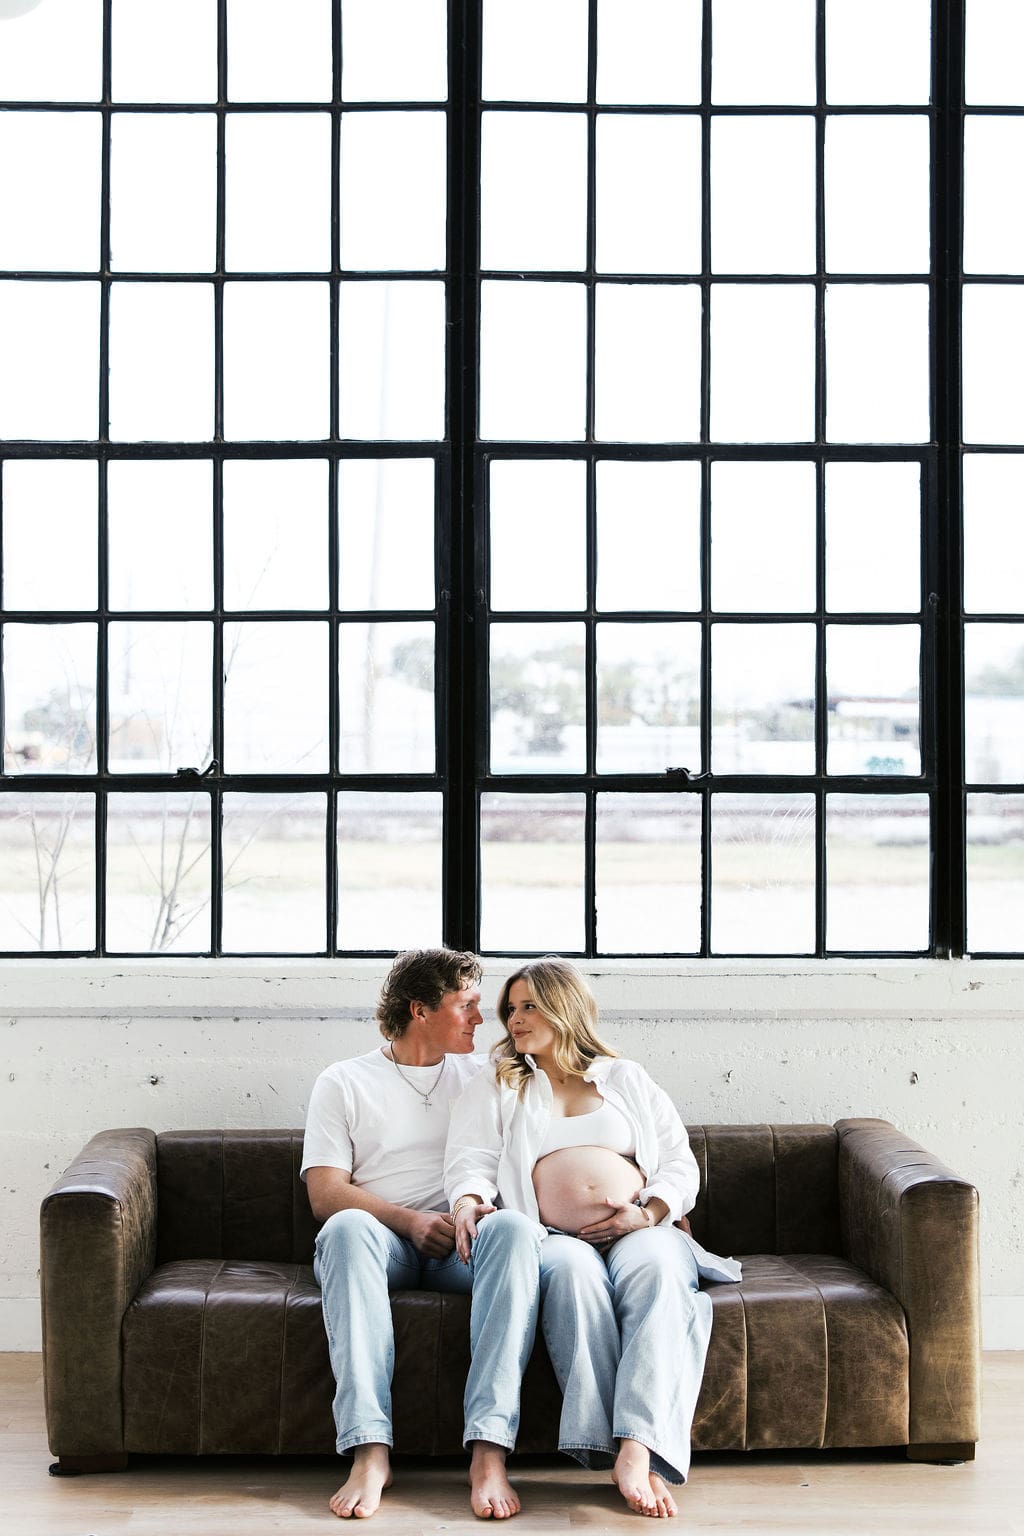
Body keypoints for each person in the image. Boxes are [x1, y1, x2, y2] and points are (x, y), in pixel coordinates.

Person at [445, 957, 741, 1521]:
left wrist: (648, 1213)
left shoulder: (624, 1077)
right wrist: (467, 1201)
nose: (514, 1019)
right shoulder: (500, 1082)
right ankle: (604, 1442)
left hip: (638, 1227)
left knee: (660, 1271)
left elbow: (679, 1163)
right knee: (574, 1278)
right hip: (549, 1233)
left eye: (529, 1006)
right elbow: (470, 1160)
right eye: (510, 1009)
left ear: (565, 1008)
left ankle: (638, 1449)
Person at [302, 948, 543, 1521]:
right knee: (345, 1228)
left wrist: (651, 1195)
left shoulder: (487, 1075)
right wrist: (409, 1222)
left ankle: (489, 1451)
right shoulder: (344, 1081)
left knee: (513, 1229)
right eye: (467, 1005)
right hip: (382, 1243)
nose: (482, 1019)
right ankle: (369, 1450)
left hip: (463, 1243)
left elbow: (559, 1135)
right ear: (420, 1010)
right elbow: (325, 1192)